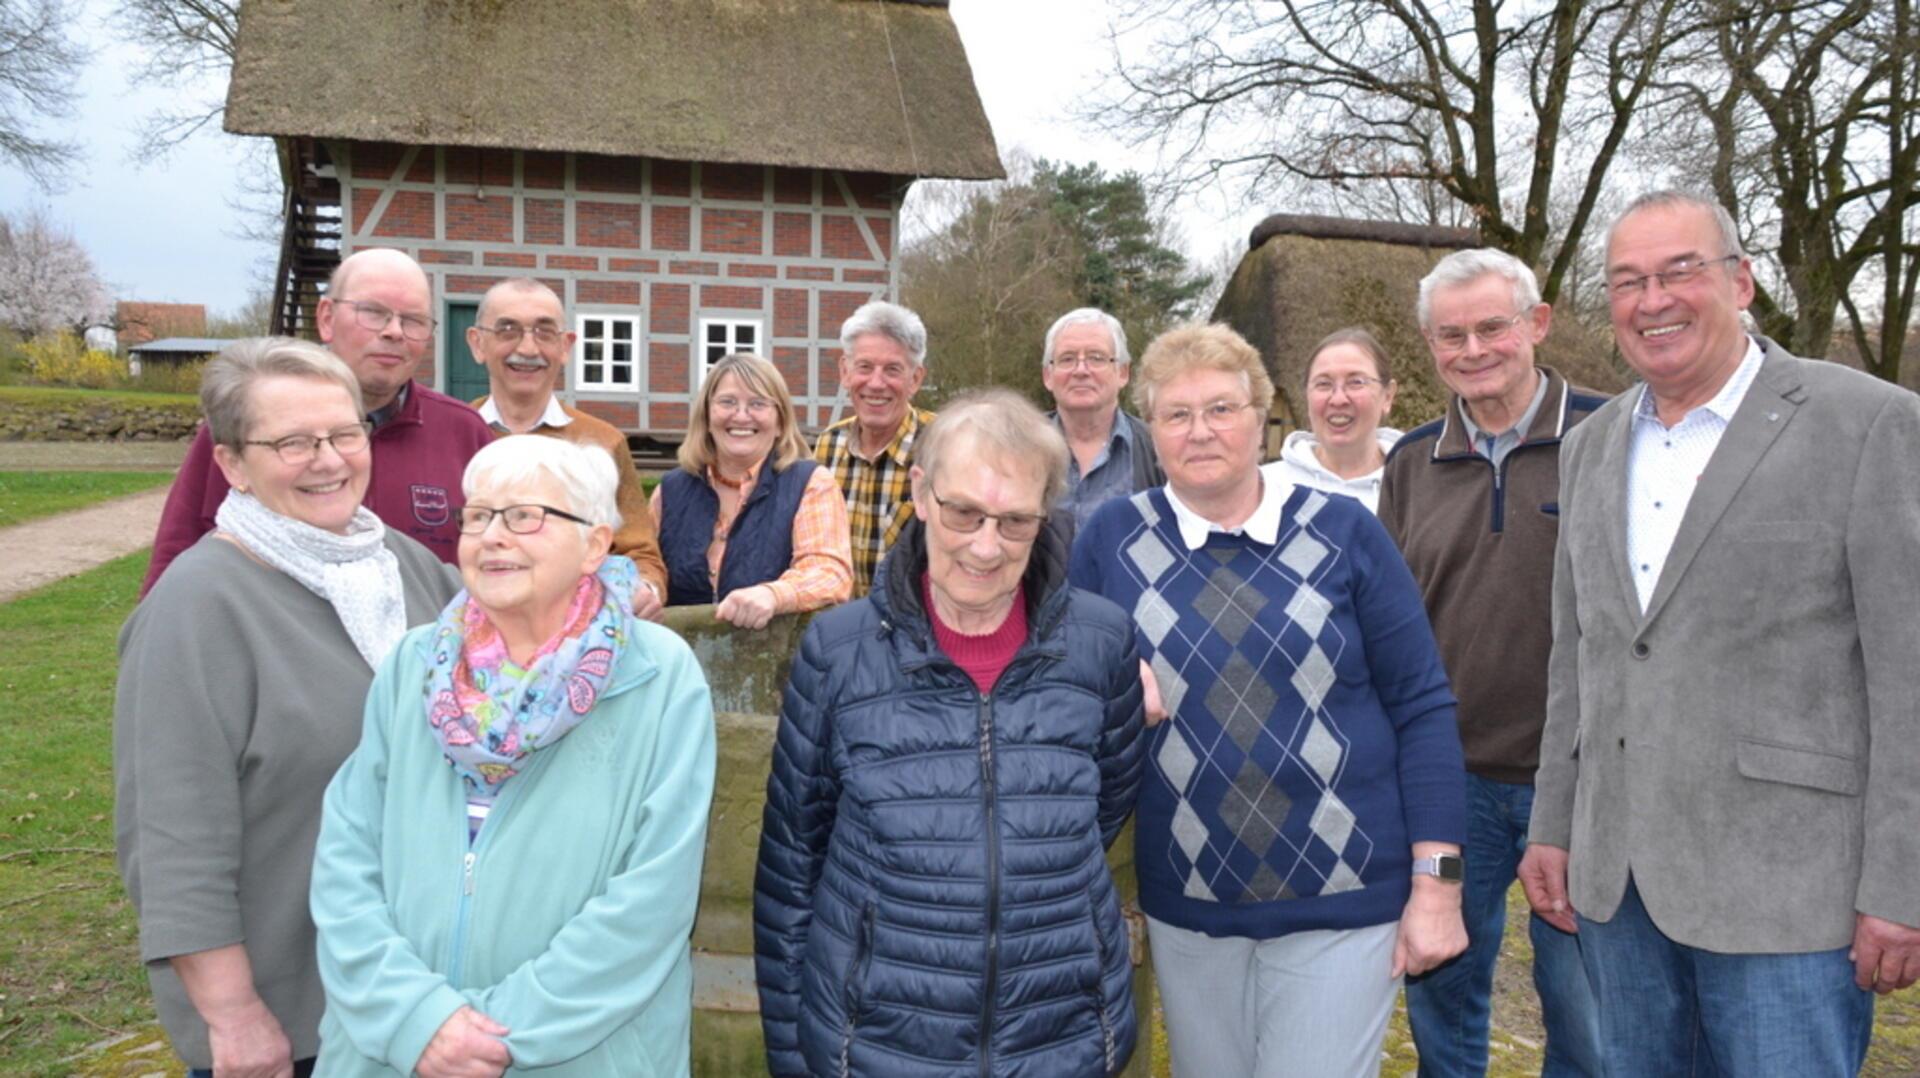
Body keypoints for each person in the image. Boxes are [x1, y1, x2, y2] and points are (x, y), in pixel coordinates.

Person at [1518, 190, 1920, 1075]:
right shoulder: (1589, 448)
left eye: (1679, 272)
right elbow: (1577, 660)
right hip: (1618, 885)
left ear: (1740, 282)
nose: (1651, 300)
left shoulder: (1867, 424)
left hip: (1787, 894)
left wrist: (1903, 884)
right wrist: (1552, 822)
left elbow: (1910, 676)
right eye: (1627, 281)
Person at [1070, 323, 1468, 1078]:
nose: (1200, 431)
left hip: (1344, 898)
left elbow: (1422, 706)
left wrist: (1438, 887)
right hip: (1189, 904)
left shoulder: (1344, 531)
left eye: (1221, 408)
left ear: (1261, 417)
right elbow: (1065, 699)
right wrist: (1111, 693)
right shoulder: (1112, 539)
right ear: (1151, 431)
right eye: (1176, 414)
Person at [755, 389, 1147, 1078]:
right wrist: (794, 1052)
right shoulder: (839, 650)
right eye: (964, 511)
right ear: (921, 493)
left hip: (1059, 1035)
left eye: (1017, 521)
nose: (986, 546)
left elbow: (1104, 803)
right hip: (878, 1043)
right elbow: (792, 869)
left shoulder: (1102, 642)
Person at [310, 435, 716, 1077]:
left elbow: (653, 897)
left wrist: (501, 1034)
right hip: (397, 1053)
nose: (493, 536)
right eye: (478, 515)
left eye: (525, 516)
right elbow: (346, 857)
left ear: (594, 543)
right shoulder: (414, 665)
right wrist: (418, 1021)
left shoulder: (659, 677)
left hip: (583, 1055)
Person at [114, 338, 463, 1078]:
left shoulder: (407, 569)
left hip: (418, 996)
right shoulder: (198, 608)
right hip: (292, 1012)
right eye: (294, 443)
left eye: (343, 434)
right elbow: (174, 841)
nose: (330, 460)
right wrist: (234, 1015)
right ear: (233, 463)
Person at [1380, 250, 1604, 1078]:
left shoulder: (1609, 434)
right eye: (1451, 335)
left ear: (1537, 324)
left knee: (1583, 1002)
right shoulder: (1409, 463)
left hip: (1577, 779)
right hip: (1449, 786)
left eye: (1491, 327)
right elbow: (1392, 625)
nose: (1472, 349)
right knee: (1444, 984)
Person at [143, 248, 494, 593]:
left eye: (413, 320)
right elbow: (175, 566)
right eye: (374, 313)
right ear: (327, 318)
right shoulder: (252, 430)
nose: (394, 332)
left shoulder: (465, 434)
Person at [466, 276, 669, 617]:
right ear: (477, 343)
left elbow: (640, 554)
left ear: (566, 346)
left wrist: (644, 589)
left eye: (545, 332)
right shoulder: (451, 433)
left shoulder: (603, 442)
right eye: (508, 330)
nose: (528, 349)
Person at [651, 352, 852, 628]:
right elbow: (645, 565)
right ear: (707, 415)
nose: (741, 415)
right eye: (727, 402)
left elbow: (830, 573)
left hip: (776, 664)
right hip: (680, 661)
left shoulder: (811, 484)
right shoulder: (670, 490)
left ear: (780, 422)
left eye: (757, 403)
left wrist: (773, 594)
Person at [812, 300, 936, 596]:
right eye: (864, 367)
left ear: (915, 379)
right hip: (838, 627)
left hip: (915, 631)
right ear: (845, 371)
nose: (876, 383)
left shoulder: (944, 446)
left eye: (892, 370)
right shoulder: (827, 447)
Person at [1043, 307, 1164, 533]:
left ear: (1123, 373)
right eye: (1067, 359)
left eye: (1096, 358)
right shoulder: (1019, 446)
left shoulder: (1160, 447)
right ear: (1048, 376)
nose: (1081, 370)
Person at [1262, 328, 1401, 511]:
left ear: (1388, 396)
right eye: (1323, 384)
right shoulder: (1264, 490)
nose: (1338, 399)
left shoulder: (1416, 489)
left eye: (1356, 382)